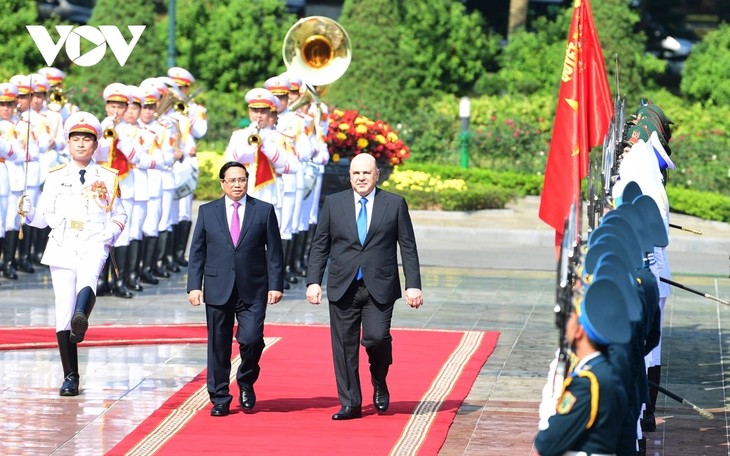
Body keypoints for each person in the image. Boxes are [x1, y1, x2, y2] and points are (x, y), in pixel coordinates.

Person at [305, 152, 423, 420]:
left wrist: (413, 285)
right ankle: (351, 403)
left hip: (379, 286)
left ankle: (379, 380)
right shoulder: (334, 204)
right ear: (349, 176)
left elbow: (408, 246)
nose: (361, 178)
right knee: (344, 346)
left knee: (377, 338)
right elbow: (320, 245)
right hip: (342, 285)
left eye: (366, 173)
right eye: (356, 173)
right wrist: (314, 281)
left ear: (377, 175)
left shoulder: (393, 204)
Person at [19, 111, 127, 396]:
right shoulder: (55, 177)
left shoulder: (107, 176)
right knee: (62, 310)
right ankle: (71, 376)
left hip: (94, 240)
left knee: (89, 280)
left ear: (96, 144)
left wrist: (109, 235)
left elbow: (120, 214)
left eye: (87, 139)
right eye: (76, 139)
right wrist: (28, 212)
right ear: (67, 142)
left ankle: (82, 317)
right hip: (62, 242)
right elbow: (43, 219)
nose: (81, 144)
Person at [186, 161, 285, 417]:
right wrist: (194, 286)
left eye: (242, 179)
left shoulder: (262, 211)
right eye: (232, 180)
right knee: (218, 345)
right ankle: (220, 397)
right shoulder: (208, 212)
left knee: (251, 339)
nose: (237, 185)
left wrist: (276, 285)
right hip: (218, 287)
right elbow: (197, 252)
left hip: (253, 288)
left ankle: (246, 380)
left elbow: (274, 252)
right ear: (222, 183)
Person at [533, 276, 631, 456]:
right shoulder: (609, 370)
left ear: (580, 331)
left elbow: (548, 443)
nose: (567, 322)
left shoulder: (587, 382)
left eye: (572, 317)